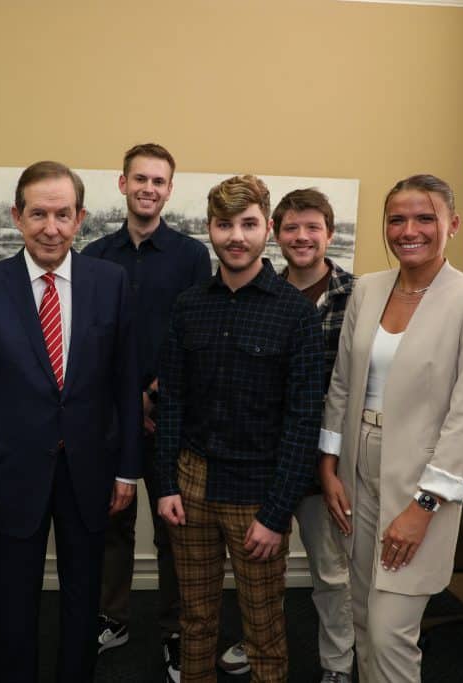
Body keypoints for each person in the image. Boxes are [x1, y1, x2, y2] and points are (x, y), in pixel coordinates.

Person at [0, 161, 141, 682]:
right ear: (17, 217)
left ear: (80, 218)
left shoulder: (110, 283)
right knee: (13, 604)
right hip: (10, 474)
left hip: (90, 471)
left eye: (62, 214)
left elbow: (125, 384)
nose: (50, 228)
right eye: (38, 214)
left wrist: (127, 470)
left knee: (83, 600)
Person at [319, 174, 463, 683]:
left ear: (452, 224)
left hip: (423, 479)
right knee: (362, 613)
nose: (409, 230)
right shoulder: (368, 289)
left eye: (425, 218)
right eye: (397, 219)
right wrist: (329, 466)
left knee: (390, 631)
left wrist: (424, 507)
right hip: (356, 466)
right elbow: (342, 382)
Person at [156, 175, 325, 682]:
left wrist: (276, 513)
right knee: (195, 618)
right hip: (191, 487)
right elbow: (172, 401)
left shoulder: (295, 313)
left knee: (263, 627)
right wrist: (165, 484)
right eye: (224, 224)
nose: (235, 236)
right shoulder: (188, 305)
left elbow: (304, 420)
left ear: (267, 229)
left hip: (257, 494)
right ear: (209, 228)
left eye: (248, 224)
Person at [81, 143, 211, 679]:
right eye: (140, 179)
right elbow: (87, 338)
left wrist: (153, 394)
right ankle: (112, 618)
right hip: (108, 416)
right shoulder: (94, 255)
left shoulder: (191, 256)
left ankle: (175, 631)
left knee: (171, 526)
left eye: (159, 181)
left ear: (169, 190)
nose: (149, 188)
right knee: (110, 521)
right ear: (123, 184)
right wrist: (123, 400)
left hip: (167, 414)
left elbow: (194, 334)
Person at [219, 188, 355, 683]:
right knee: (258, 570)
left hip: (328, 463)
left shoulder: (358, 297)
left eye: (312, 227)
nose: (302, 237)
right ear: (275, 233)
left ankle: (338, 663)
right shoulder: (260, 293)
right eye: (291, 228)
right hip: (268, 460)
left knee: (331, 572)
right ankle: (258, 643)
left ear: (329, 234)